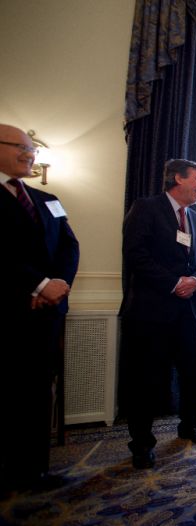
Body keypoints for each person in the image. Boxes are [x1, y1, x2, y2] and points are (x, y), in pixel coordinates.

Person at [0, 124, 80, 491]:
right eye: (21, 146)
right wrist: (38, 284)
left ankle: (34, 471)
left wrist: (57, 285)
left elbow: (69, 245)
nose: (30, 154)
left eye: (32, 148)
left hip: (46, 315)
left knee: (36, 392)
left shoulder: (47, 198)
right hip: (9, 311)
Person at [119, 158, 196, 469]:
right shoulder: (146, 208)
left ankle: (189, 425)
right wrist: (174, 283)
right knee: (145, 380)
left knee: (192, 373)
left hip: (188, 310)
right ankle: (142, 443)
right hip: (151, 311)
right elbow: (136, 255)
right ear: (177, 178)